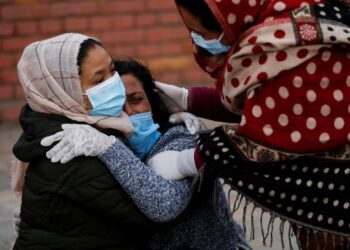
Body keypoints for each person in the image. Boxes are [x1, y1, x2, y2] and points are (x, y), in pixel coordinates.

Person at [12, 33, 250, 250]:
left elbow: (165, 203)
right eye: (99, 80)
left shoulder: (174, 138)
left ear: (155, 103)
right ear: (68, 94)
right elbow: (160, 207)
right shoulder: (77, 144)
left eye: (136, 99)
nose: (125, 109)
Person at [152, 0, 350, 249]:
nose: (198, 41)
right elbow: (267, 107)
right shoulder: (273, 33)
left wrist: (188, 161)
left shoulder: (302, 44)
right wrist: (187, 99)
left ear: (230, 19)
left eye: (202, 34)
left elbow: (266, 136)